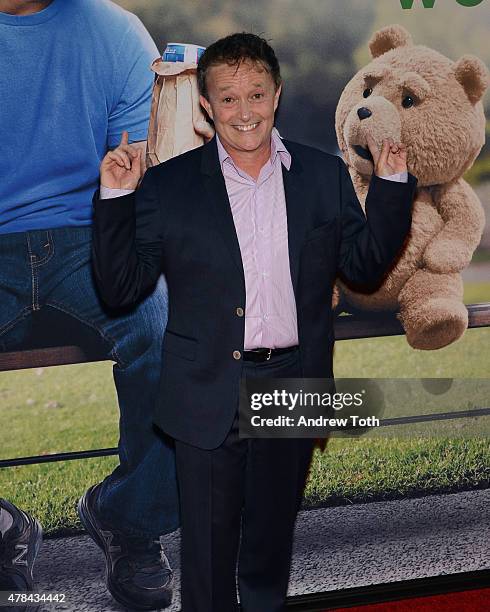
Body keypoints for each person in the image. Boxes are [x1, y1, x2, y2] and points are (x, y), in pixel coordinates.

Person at [92, 32, 417, 612]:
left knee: (268, 553)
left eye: (256, 95)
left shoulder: (323, 176)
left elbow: (364, 268)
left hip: (294, 384)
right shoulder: (168, 187)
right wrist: (116, 198)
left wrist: (391, 185)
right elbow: (121, 288)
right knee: (209, 566)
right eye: (228, 98)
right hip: (205, 388)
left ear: (277, 96)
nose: (244, 112)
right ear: (206, 105)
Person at [0, 1, 179, 610]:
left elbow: (141, 180)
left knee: (167, 330)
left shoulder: (116, 32)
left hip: (92, 235)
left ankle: (131, 523)